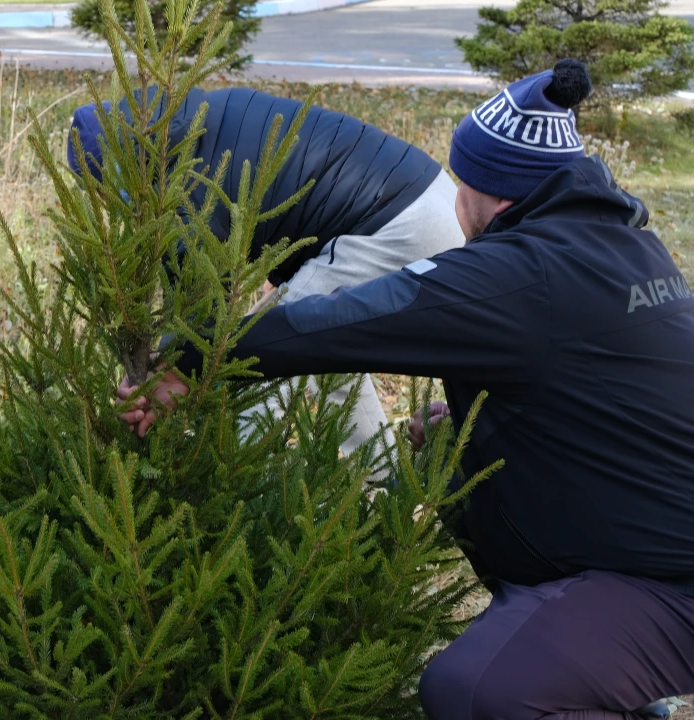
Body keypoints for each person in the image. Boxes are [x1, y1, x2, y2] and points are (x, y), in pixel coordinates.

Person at [116, 60, 694, 719]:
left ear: (494, 194)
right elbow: (601, 392)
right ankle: (606, 686)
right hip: (649, 540)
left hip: (667, 583)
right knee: (455, 455)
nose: (455, 202)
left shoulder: (516, 274)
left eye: (461, 184)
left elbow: (340, 320)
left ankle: (573, 679)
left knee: (474, 691)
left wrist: (193, 363)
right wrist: (479, 416)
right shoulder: (628, 249)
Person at [68, 86, 465, 462]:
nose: (105, 202)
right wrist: (164, 367)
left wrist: (163, 372)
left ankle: (236, 508)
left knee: (264, 364)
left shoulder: (181, 180)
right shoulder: (191, 121)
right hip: (429, 197)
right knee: (328, 361)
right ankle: (385, 487)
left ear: (119, 171)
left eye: (101, 189)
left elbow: (200, 305)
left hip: (395, 224)